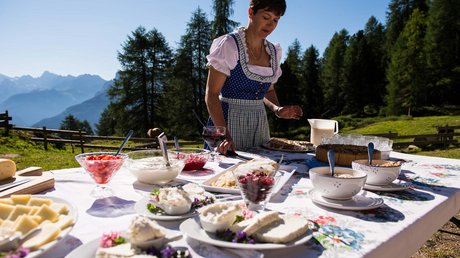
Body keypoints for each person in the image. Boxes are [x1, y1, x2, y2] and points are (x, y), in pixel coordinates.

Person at [205, 0, 303, 154]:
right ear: (251, 12)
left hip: (259, 124)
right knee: (228, 175)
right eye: (266, 17)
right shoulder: (230, 45)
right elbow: (211, 95)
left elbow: (268, 90)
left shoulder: (273, 51)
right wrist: (223, 135)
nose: (270, 25)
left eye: (275, 20)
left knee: (260, 172)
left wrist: (277, 109)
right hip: (228, 121)